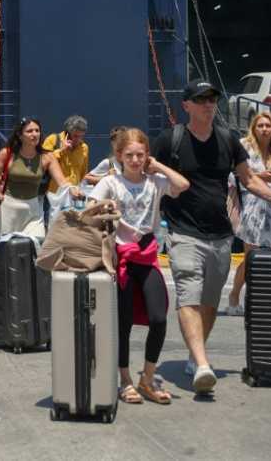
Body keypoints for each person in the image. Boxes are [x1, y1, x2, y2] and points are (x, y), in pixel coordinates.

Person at [151, 79, 271, 396]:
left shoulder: (228, 140)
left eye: (212, 99)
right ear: (187, 105)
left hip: (220, 234)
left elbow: (249, 180)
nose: (209, 104)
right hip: (183, 231)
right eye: (201, 99)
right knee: (188, 295)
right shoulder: (170, 140)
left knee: (209, 301)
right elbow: (148, 175)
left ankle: (195, 353)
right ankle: (203, 365)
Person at [88, 128, 189, 406]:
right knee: (124, 323)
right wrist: (105, 208)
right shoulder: (112, 183)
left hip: (147, 256)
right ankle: (125, 380)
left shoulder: (155, 181)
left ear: (147, 156)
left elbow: (182, 185)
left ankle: (147, 376)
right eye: (129, 155)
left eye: (140, 155)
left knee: (158, 318)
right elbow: (91, 207)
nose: (135, 160)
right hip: (120, 258)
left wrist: (159, 166)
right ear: (119, 156)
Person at [227, 112, 271, 316]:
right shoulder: (244, 147)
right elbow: (231, 174)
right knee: (251, 257)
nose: (264, 129)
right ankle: (235, 295)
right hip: (254, 206)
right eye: (260, 125)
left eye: (268, 125)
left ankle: (266, 299)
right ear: (254, 128)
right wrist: (257, 176)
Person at [0, 118, 78, 238]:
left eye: (37, 130)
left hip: (33, 211)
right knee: (4, 250)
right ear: (20, 135)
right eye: (29, 131)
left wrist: (71, 188)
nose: (34, 134)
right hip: (8, 209)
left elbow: (62, 180)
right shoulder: (7, 153)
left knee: (36, 247)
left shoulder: (47, 157)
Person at [42, 115, 90, 192]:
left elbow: (83, 172)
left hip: (73, 192)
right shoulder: (53, 140)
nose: (78, 139)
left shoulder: (84, 147)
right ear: (68, 132)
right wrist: (61, 151)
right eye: (75, 136)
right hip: (53, 193)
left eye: (81, 136)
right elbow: (43, 162)